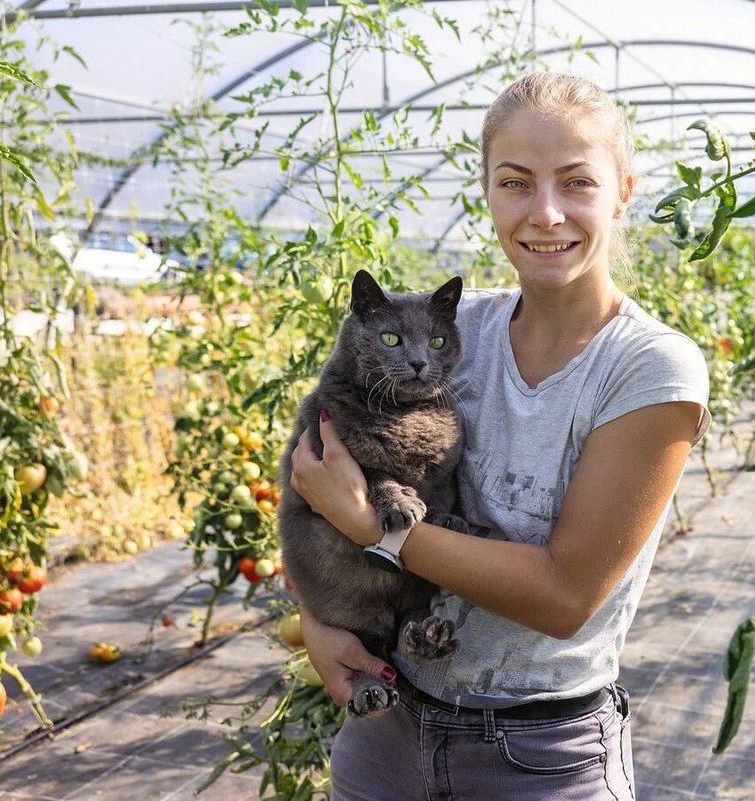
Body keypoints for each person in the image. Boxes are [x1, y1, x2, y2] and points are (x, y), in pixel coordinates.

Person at [288, 71, 711, 801]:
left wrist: (371, 527)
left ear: (623, 191)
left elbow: (564, 595)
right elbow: (316, 471)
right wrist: (314, 619)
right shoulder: (455, 332)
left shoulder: (648, 367)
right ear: (487, 192)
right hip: (389, 734)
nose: (545, 213)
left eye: (576, 182)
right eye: (515, 183)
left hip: (539, 757)